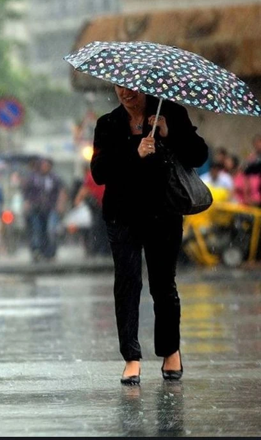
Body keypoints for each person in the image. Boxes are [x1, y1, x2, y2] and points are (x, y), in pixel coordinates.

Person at [91, 85, 208, 385]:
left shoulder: (169, 113)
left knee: (163, 285)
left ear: (145, 87)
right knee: (127, 284)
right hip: (122, 216)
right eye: (120, 87)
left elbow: (198, 155)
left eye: (132, 89)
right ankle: (131, 358)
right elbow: (99, 172)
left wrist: (171, 134)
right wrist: (135, 152)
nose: (126, 93)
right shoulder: (108, 123)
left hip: (163, 213)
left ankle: (171, 352)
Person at [22, 158, 66, 261]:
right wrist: (27, 202)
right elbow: (26, 191)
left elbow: (61, 190)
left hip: (51, 208)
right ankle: (37, 251)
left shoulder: (54, 178)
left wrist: (60, 203)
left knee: (51, 229)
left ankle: (50, 252)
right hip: (36, 208)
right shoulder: (33, 178)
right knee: (37, 230)